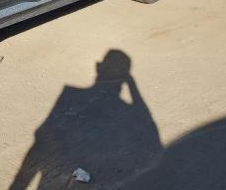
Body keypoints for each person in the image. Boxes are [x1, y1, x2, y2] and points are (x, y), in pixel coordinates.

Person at [12, 50, 162, 189]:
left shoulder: (69, 95)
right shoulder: (72, 95)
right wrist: (131, 83)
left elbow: (42, 137)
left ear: (98, 67)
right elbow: (149, 127)